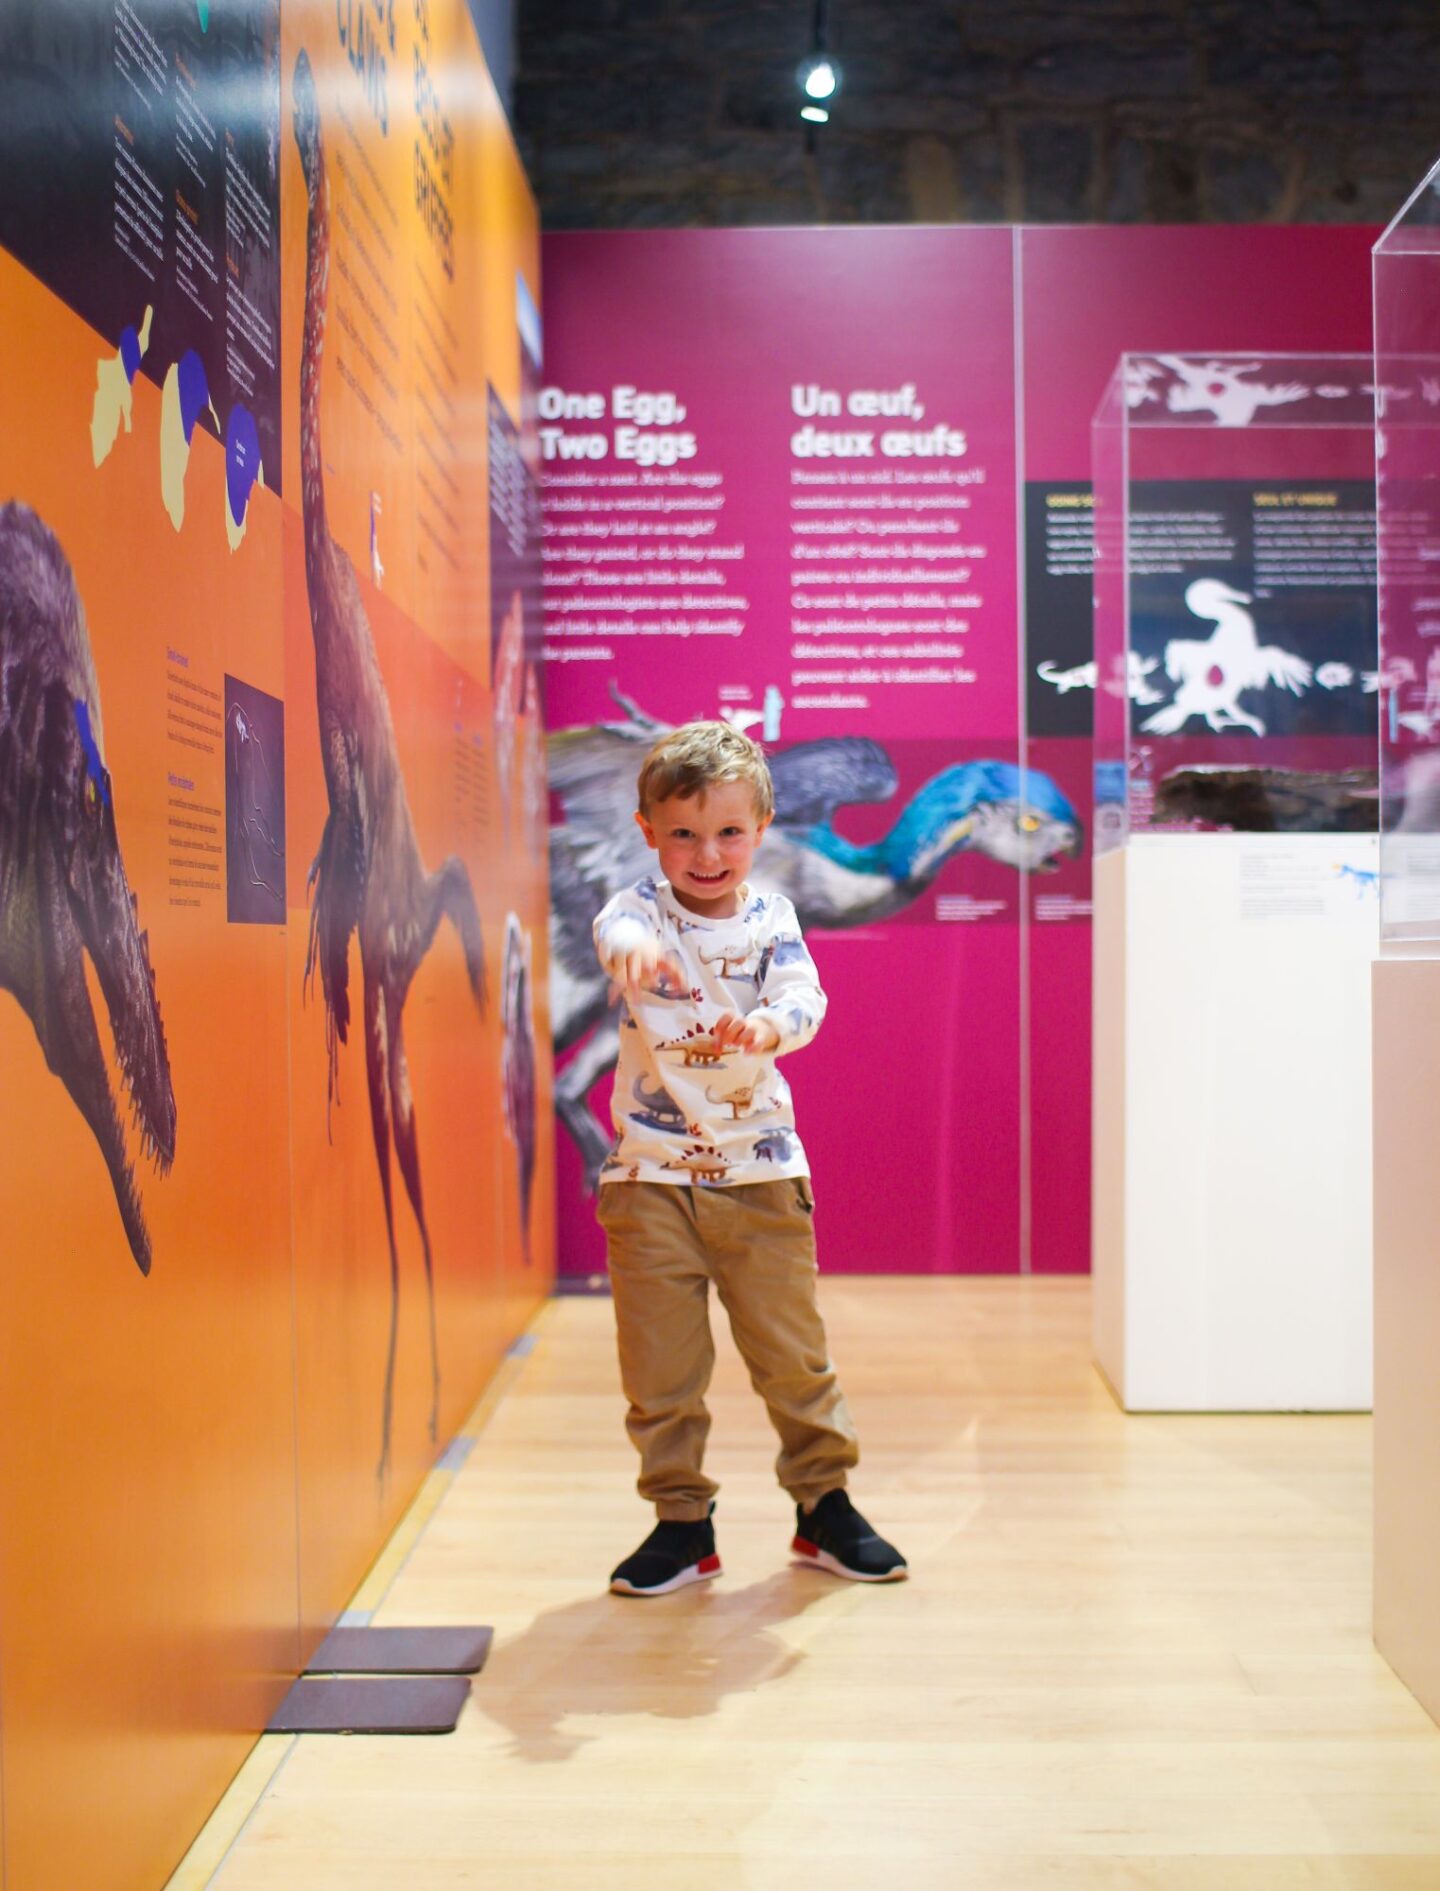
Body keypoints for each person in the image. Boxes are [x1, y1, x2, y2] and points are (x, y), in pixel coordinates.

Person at [592, 719, 907, 1596]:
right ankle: (681, 1522)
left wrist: (769, 1023)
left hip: (762, 1174)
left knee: (792, 1354)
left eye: (729, 831)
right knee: (660, 1370)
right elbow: (613, 936)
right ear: (647, 828)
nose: (707, 852)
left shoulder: (774, 916)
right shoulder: (635, 911)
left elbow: (805, 994)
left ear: (762, 828)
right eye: (684, 832)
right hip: (650, 1179)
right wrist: (634, 954)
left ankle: (824, 1506)